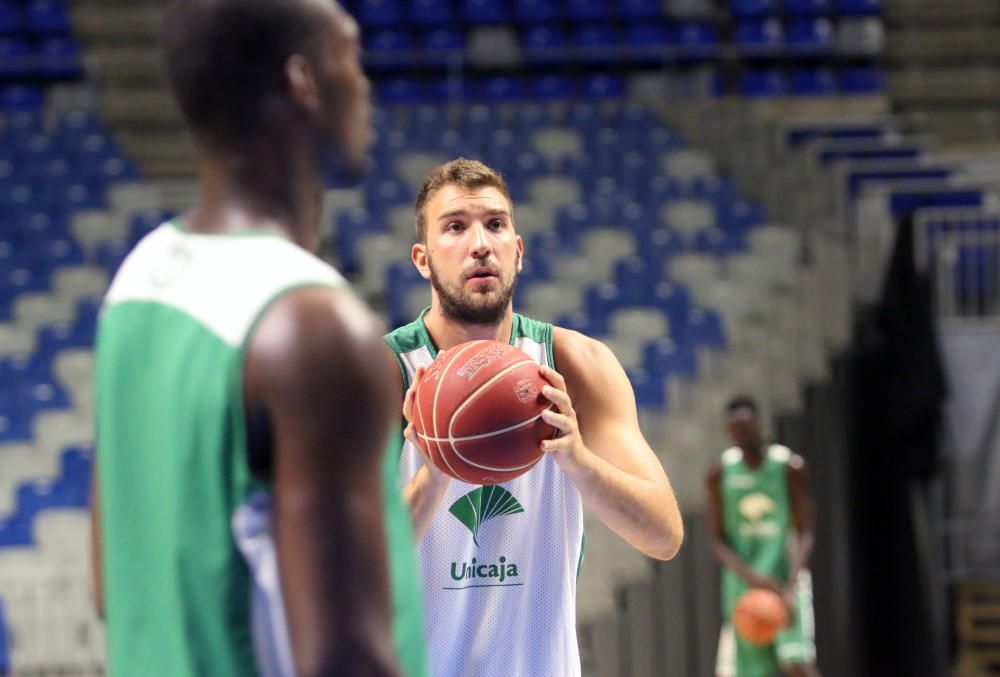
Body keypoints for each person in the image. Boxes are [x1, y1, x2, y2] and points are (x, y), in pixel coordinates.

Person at [89, 2, 427, 675]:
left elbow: (111, 584)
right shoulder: (314, 331)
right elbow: (345, 660)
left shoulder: (139, 281)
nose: (364, 83)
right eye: (350, 56)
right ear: (302, 83)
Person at [384, 158, 684, 677]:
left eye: (495, 224)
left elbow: (664, 536)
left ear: (517, 252)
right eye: (455, 226)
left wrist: (579, 461)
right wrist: (431, 479)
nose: (480, 243)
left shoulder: (576, 364)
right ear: (423, 259)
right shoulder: (380, 377)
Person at [706, 395, 820, 677]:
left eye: (746, 425)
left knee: (797, 662)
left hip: (784, 578)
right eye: (735, 428)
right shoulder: (720, 473)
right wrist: (753, 579)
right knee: (752, 672)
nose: (741, 432)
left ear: (759, 424)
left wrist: (791, 586)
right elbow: (716, 542)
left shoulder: (789, 466)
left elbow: (805, 533)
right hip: (744, 586)